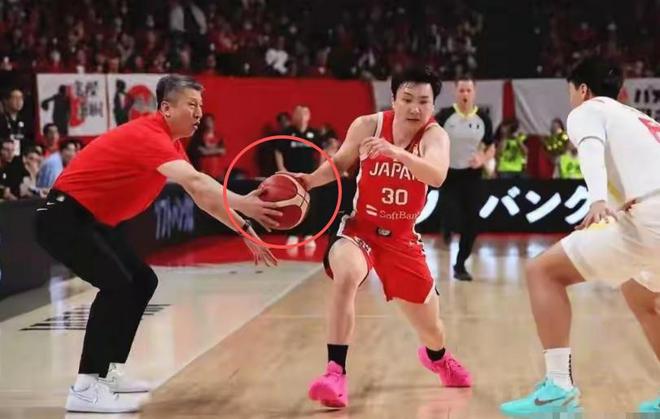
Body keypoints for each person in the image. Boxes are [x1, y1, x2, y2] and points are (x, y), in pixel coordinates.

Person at [35, 74, 281, 414]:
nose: (199, 113)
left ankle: (109, 377)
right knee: (118, 286)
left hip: (93, 221)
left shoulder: (172, 144)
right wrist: (244, 202)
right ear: (166, 108)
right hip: (63, 217)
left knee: (141, 282)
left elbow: (202, 196)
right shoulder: (149, 134)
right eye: (192, 105)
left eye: (200, 106)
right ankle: (86, 388)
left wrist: (244, 229)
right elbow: (197, 181)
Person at [294, 66, 471, 409]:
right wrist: (309, 181)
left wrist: (396, 153)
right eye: (407, 99)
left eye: (424, 101)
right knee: (347, 275)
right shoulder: (368, 125)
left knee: (432, 329)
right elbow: (340, 163)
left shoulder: (435, 136)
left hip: (402, 239)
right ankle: (335, 373)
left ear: (433, 105)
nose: (415, 108)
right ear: (393, 99)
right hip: (360, 229)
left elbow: (436, 175)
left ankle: (437, 357)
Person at [500, 57, 660, 415]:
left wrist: (598, 199)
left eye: (570, 91)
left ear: (583, 89)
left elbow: (590, 150)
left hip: (650, 220)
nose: (571, 98)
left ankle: (558, 389)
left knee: (542, 272)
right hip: (651, 216)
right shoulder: (641, 118)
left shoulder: (588, 110)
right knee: (640, 295)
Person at [436, 77, 494, 281]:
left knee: (472, 222)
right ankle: (446, 227)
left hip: (472, 174)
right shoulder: (445, 116)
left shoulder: (483, 119)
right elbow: (431, 139)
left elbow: (491, 146)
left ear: (474, 92)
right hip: (449, 174)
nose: (465, 94)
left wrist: (483, 158)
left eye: (468, 90)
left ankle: (460, 264)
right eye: (461, 90)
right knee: (451, 211)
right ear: (455, 91)